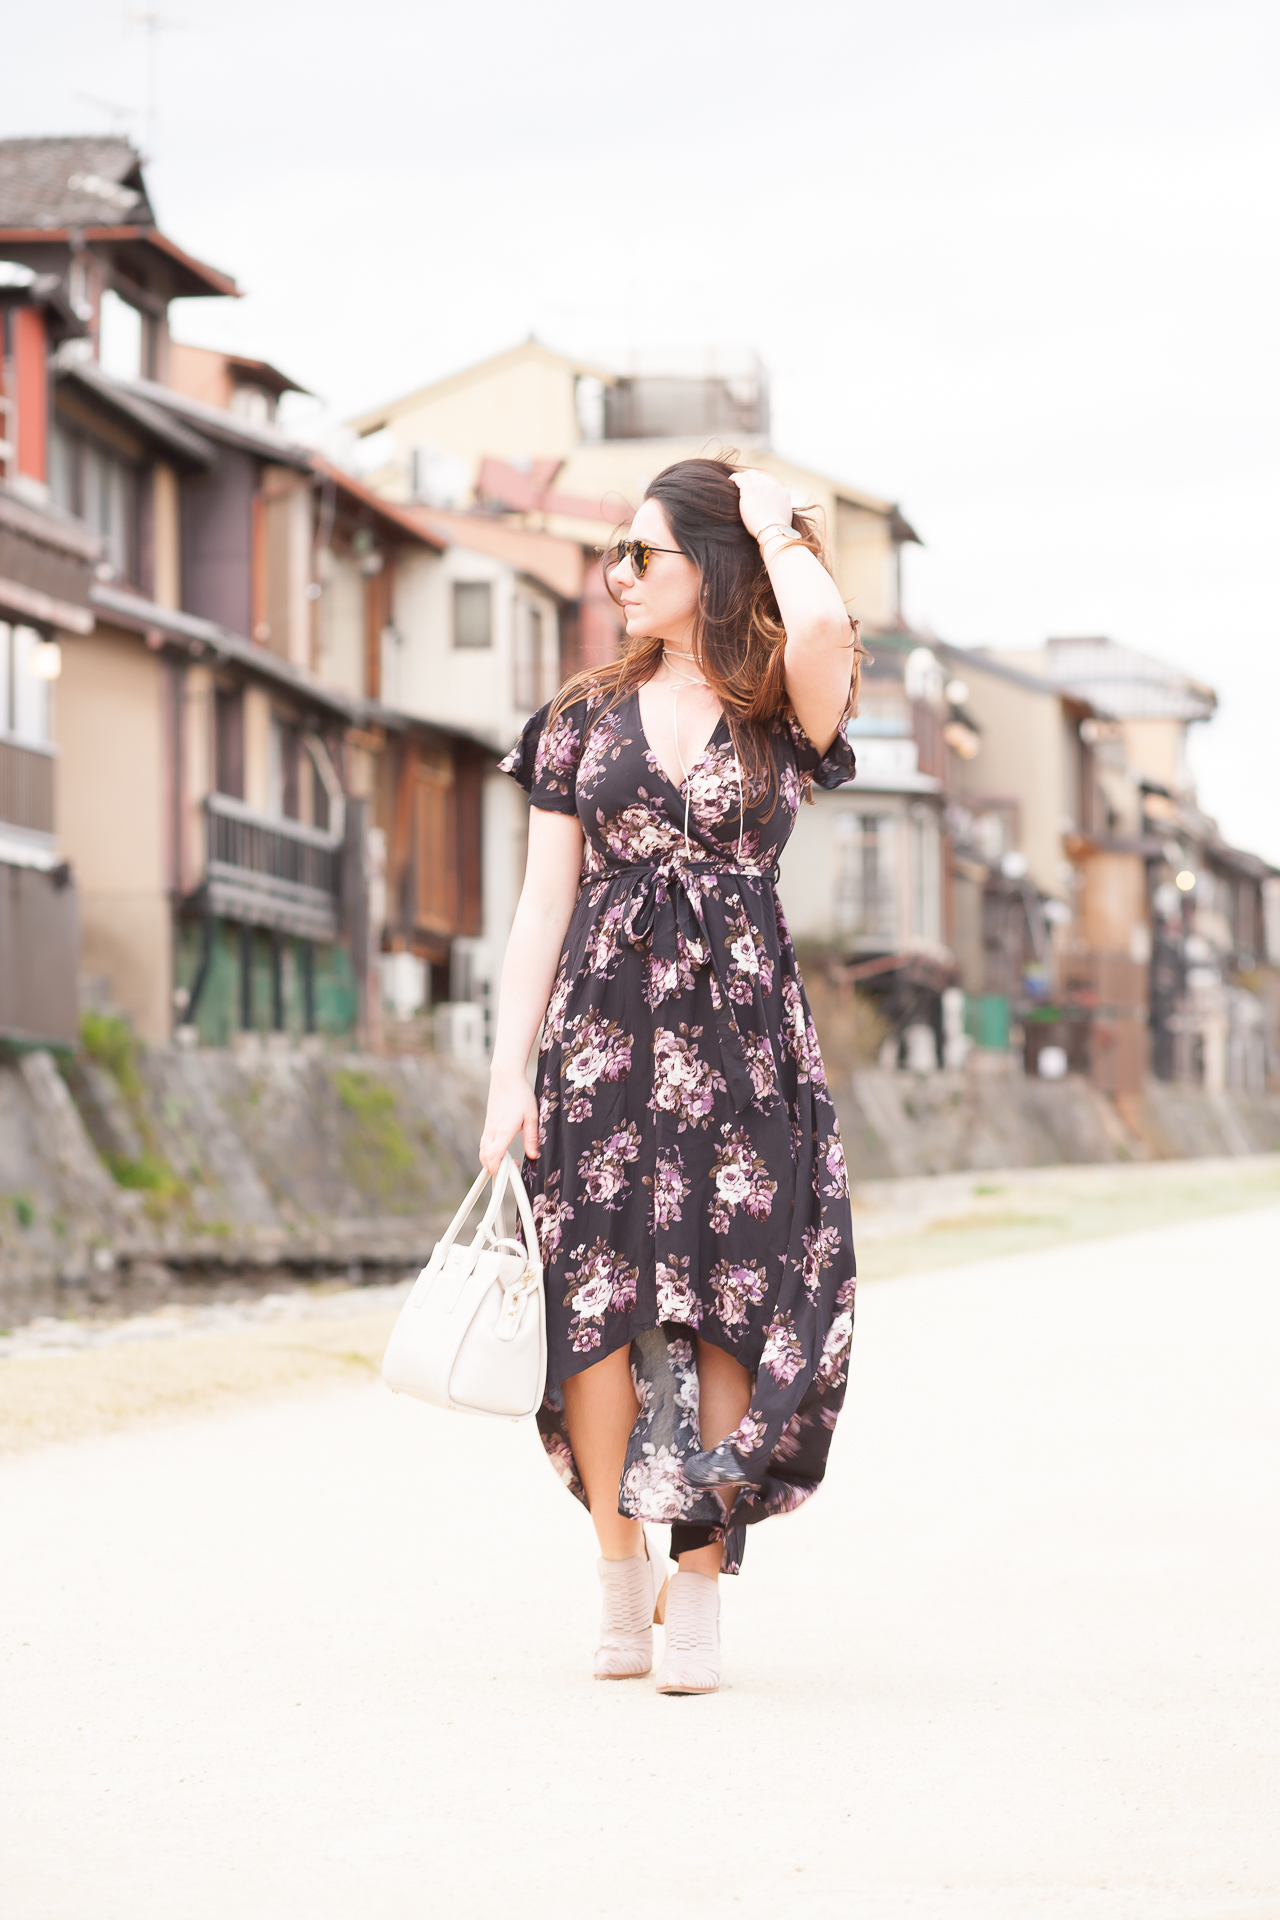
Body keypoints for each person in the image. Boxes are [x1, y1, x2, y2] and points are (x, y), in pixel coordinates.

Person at [480, 456, 860, 1694]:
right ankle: (615, 1567)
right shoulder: (580, 717)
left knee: (726, 1306)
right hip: (599, 1038)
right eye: (616, 553)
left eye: (643, 553)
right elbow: (540, 907)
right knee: (592, 1311)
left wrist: (771, 523)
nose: (618, 575)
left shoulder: (780, 703)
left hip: (743, 1047)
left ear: (712, 565)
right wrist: (505, 1077)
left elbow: (820, 625)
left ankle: (696, 1581)